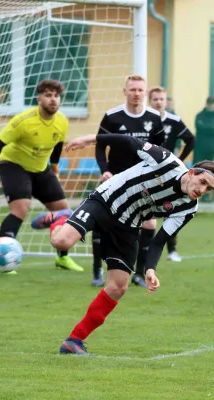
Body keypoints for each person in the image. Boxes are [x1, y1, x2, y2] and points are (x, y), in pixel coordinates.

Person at [43, 133, 214, 355]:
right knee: (62, 241)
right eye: (203, 182)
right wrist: (88, 139)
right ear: (192, 172)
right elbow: (128, 141)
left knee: (118, 287)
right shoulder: (165, 160)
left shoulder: (188, 208)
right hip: (106, 200)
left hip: (128, 224)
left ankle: (73, 341)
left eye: (208, 190)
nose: (202, 190)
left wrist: (150, 269)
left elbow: (159, 241)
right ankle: (58, 220)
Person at [0, 79, 83, 273]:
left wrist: (54, 167)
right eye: (48, 95)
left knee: (63, 211)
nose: (53, 99)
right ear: (39, 99)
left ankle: (63, 258)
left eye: (56, 95)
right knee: (21, 207)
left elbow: (57, 145)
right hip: (13, 164)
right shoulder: (23, 120)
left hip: (40, 167)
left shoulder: (62, 120)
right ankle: (1, 261)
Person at [89, 75, 164, 288]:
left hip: (143, 179)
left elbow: (160, 151)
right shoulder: (112, 117)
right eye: (132, 90)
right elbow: (99, 146)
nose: (136, 94)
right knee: (101, 220)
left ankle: (139, 273)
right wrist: (104, 170)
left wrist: (157, 175)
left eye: (140, 90)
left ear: (145, 92)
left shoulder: (154, 117)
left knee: (149, 223)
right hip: (115, 177)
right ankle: (96, 271)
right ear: (125, 91)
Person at [148, 86, 196, 262]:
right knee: (144, 210)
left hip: (168, 172)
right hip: (146, 171)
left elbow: (191, 140)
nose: (159, 102)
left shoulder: (174, 120)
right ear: (150, 101)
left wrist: (180, 160)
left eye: (162, 99)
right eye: (155, 99)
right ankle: (143, 248)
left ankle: (172, 250)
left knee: (172, 209)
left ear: (165, 101)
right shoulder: (144, 120)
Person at [193, 96, 214, 164]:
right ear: (206, 104)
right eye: (209, 103)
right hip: (199, 147)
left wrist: (206, 127)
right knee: (197, 168)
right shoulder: (199, 115)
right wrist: (212, 128)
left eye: (212, 104)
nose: (210, 105)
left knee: (209, 169)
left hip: (211, 148)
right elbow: (199, 127)